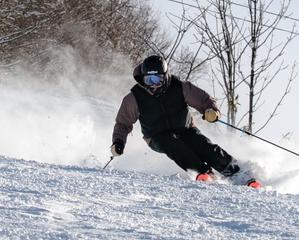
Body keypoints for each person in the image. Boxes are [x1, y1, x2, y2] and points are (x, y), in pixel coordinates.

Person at [110, 55, 257, 185]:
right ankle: (203, 173)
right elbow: (123, 123)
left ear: (166, 76)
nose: (154, 84)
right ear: (143, 78)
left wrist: (211, 112)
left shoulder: (180, 87)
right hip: (156, 136)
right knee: (172, 144)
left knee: (203, 145)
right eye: (149, 80)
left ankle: (236, 173)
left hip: (185, 129)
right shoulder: (134, 98)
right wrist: (118, 142)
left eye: (158, 79)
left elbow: (204, 100)